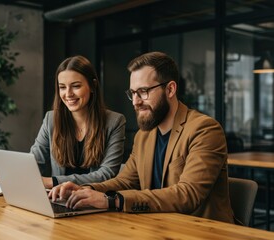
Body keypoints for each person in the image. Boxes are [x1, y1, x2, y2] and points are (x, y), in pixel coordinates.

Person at [49, 51, 235, 224]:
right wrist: (87, 189)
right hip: (158, 227)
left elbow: (187, 194)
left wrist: (112, 201)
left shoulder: (204, 130)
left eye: (143, 92)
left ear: (170, 90)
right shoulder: (144, 135)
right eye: (133, 93)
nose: (136, 101)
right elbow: (126, 181)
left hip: (201, 231)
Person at [30, 55, 126, 189]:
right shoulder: (50, 119)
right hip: (58, 198)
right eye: (62, 87)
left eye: (75, 86)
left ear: (93, 86)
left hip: (93, 200)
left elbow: (107, 174)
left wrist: (54, 182)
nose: (68, 94)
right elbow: (33, 162)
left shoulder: (114, 122)